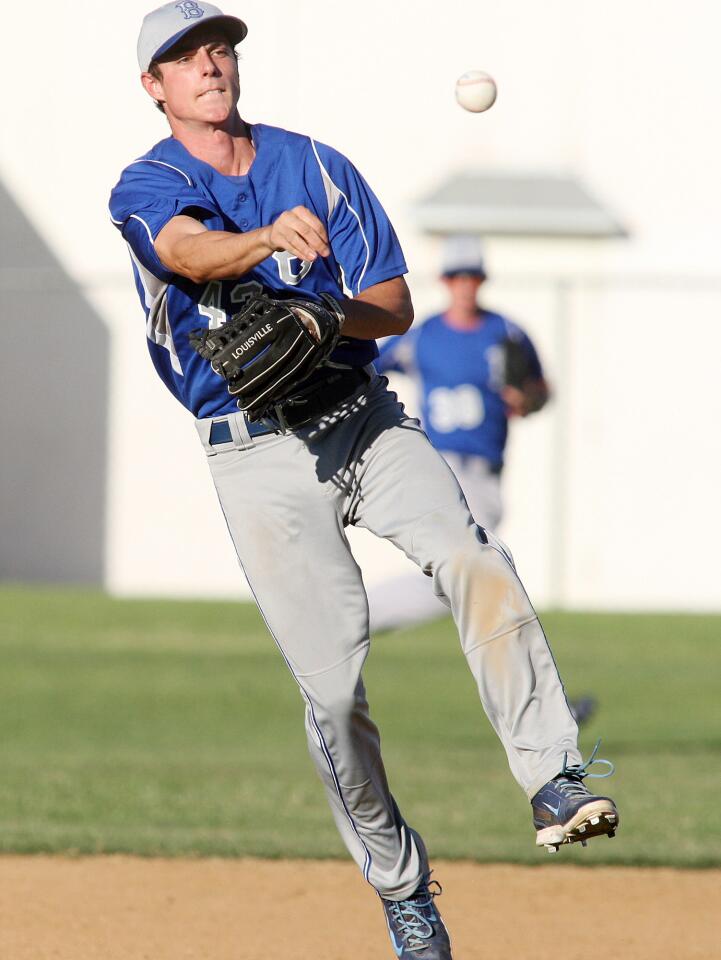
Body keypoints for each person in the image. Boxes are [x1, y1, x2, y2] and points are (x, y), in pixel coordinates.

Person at [109, 6, 618, 958]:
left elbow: (391, 306)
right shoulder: (149, 182)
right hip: (253, 455)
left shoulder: (319, 165)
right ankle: (402, 889)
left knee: (473, 557)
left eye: (219, 47)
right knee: (333, 696)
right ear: (157, 88)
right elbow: (181, 250)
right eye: (184, 57)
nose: (209, 64)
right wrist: (264, 244)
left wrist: (322, 321)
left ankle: (554, 774)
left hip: (362, 418)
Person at [369, 240, 597, 726]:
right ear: (445, 282)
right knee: (492, 579)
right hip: (444, 472)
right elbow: (367, 370)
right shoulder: (424, 335)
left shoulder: (505, 332)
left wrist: (526, 398)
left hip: (488, 477)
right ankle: (544, 708)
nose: (465, 285)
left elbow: (539, 392)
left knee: (459, 585)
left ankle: (353, 619)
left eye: (473, 276)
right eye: (457, 276)